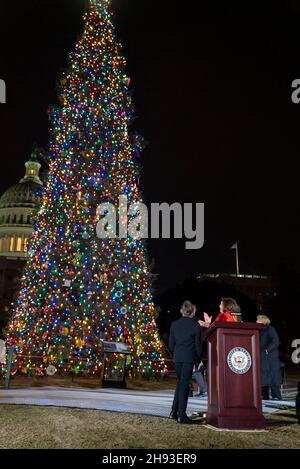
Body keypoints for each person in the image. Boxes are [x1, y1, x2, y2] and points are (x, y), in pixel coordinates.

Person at [169, 300, 202, 424]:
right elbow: (198, 346)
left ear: (182, 310)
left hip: (177, 358)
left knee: (180, 383)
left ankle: (174, 411)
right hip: (188, 358)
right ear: (191, 311)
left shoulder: (174, 324)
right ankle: (181, 415)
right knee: (184, 385)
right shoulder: (195, 325)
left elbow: (171, 345)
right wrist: (198, 359)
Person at [256, 314, 282, 400]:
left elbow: (275, 341)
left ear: (263, 321)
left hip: (270, 358)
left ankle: (276, 397)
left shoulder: (270, 329)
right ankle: (264, 398)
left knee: (273, 378)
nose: (256, 321)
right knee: (263, 379)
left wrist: (267, 350)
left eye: (258, 320)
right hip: (262, 358)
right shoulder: (258, 330)